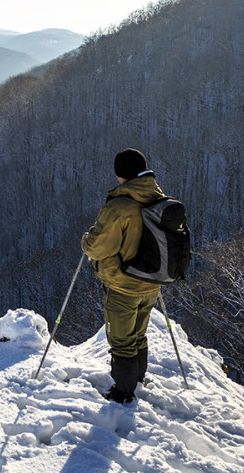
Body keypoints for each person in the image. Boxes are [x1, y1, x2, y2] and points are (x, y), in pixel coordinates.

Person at [81, 148, 165, 404]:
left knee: (121, 342)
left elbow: (97, 248)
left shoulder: (120, 206)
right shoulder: (158, 198)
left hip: (124, 286)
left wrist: (86, 240)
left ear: (120, 175)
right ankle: (137, 381)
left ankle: (123, 394)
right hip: (152, 284)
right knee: (138, 336)